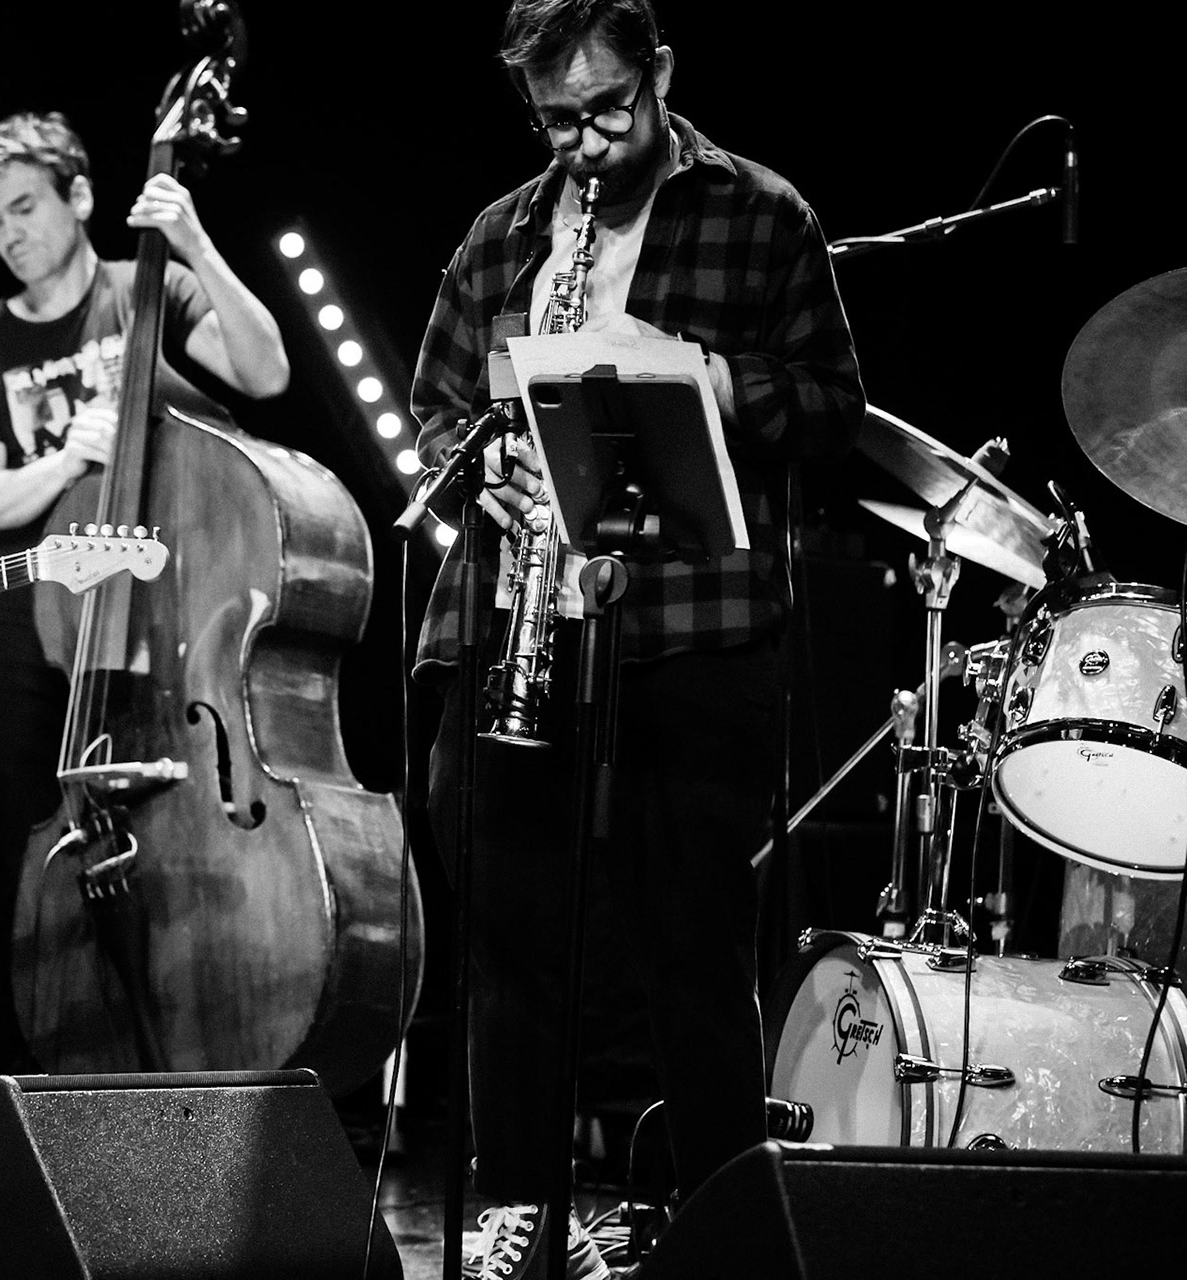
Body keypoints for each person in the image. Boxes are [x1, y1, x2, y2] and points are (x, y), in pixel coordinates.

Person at [411, 3, 863, 1276]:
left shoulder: (761, 212)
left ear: (662, 72)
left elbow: (835, 410)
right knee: (508, 937)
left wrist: (709, 377)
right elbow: (436, 398)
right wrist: (485, 466)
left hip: (698, 625)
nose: (591, 144)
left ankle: (709, 1212)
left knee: (691, 944)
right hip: (521, 616)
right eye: (561, 120)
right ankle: (516, 1202)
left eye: (613, 108)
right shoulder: (504, 231)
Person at [0, 111, 290, 1041]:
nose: (11, 233)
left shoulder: (152, 291)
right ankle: (59, 1033)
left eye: (24, 208)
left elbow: (266, 371)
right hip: (39, 611)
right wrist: (62, 463)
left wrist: (194, 243)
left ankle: (197, 1003)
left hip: (162, 595)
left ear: (80, 197)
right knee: (33, 823)